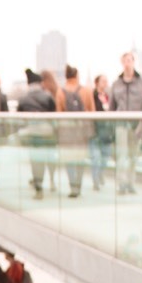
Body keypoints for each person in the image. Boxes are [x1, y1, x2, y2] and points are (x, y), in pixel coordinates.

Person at [55, 65, 95, 198]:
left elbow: (59, 114)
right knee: (80, 159)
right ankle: (78, 184)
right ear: (77, 76)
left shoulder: (60, 92)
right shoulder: (86, 91)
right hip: (81, 131)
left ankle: (72, 186)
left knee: (69, 160)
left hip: (67, 132)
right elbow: (92, 112)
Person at [110, 53, 142, 195]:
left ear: (133, 62)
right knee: (122, 155)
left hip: (137, 125)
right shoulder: (116, 84)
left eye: (130, 60)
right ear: (122, 62)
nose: (127, 63)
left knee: (133, 155)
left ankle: (131, 182)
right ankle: (122, 183)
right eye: (125, 60)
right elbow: (112, 108)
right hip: (121, 124)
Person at [17, 69, 57, 199]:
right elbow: (54, 116)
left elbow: (20, 119)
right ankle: (51, 180)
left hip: (32, 133)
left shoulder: (23, 99)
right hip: (47, 133)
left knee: (35, 161)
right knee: (49, 159)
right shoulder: (48, 96)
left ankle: (38, 187)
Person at [89, 76, 113, 191]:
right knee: (95, 157)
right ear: (97, 83)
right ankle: (95, 181)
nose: (106, 83)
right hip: (95, 130)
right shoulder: (92, 96)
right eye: (103, 81)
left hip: (106, 131)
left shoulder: (108, 97)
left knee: (106, 155)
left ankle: (100, 174)